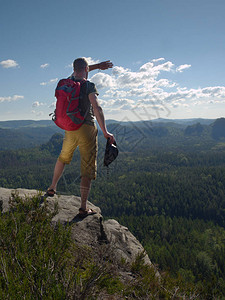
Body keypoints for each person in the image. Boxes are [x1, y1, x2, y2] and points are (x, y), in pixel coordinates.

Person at [45, 58, 115, 218]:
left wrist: (97, 66)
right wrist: (105, 131)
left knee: (63, 157)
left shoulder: (68, 82)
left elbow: (82, 68)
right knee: (87, 167)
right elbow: (97, 107)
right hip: (87, 129)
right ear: (86, 69)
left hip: (70, 127)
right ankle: (83, 207)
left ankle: (52, 187)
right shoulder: (88, 85)